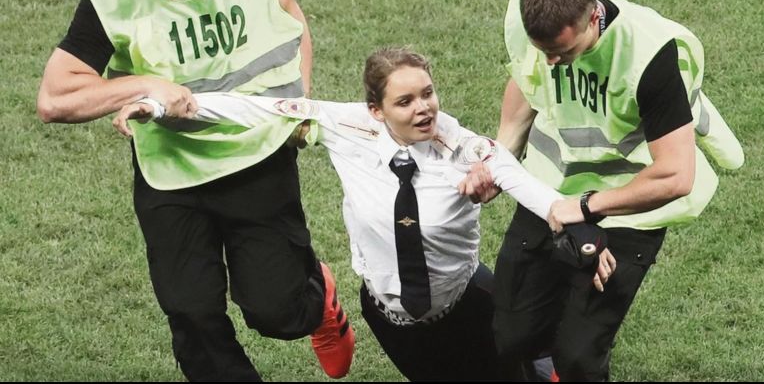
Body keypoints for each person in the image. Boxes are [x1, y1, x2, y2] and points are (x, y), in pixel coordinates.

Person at [113, 47, 570, 382]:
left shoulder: (462, 149)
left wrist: (572, 214)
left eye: (428, 94)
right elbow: (255, 109)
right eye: (405, 101)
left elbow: (524, 183)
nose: (424, 108)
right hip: (390, 320)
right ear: (376, 111)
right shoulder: (348, 127)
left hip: (468, 307)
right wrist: (158, 105)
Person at [35, 0, 354, 381]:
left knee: (278, 312)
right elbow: (54, 99)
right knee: (190, 312)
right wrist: (144, 86)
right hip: (172, 172)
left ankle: (319, 295)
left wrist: (298, 105)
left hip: (256, 155)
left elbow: (290, 18)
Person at [476, 0, 744, 381]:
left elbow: (676, 175)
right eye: (544, 50)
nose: (551, 61)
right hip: (548, 194)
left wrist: (585, 208)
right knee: (512, 336)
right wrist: (501, 157)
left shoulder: (649, 56)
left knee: (578, 358)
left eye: (562, 52)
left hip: (627, 210)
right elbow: (527, 82)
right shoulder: (535, 23)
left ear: (594, 17)